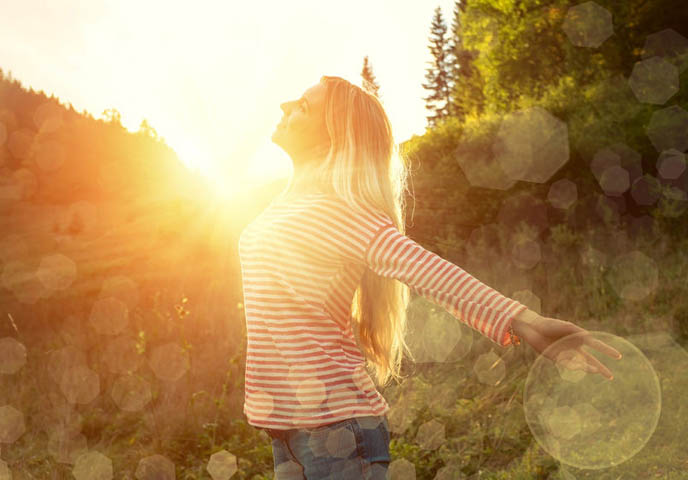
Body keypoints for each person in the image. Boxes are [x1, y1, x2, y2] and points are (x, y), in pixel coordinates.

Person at [237, 75, 622, 480]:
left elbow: (432, 274)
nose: (284, 106)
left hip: (337, 433)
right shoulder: (287, 206)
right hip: (287, 431)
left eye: (303, 105)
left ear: (334, 135)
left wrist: (526, 322)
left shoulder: (342, 211)